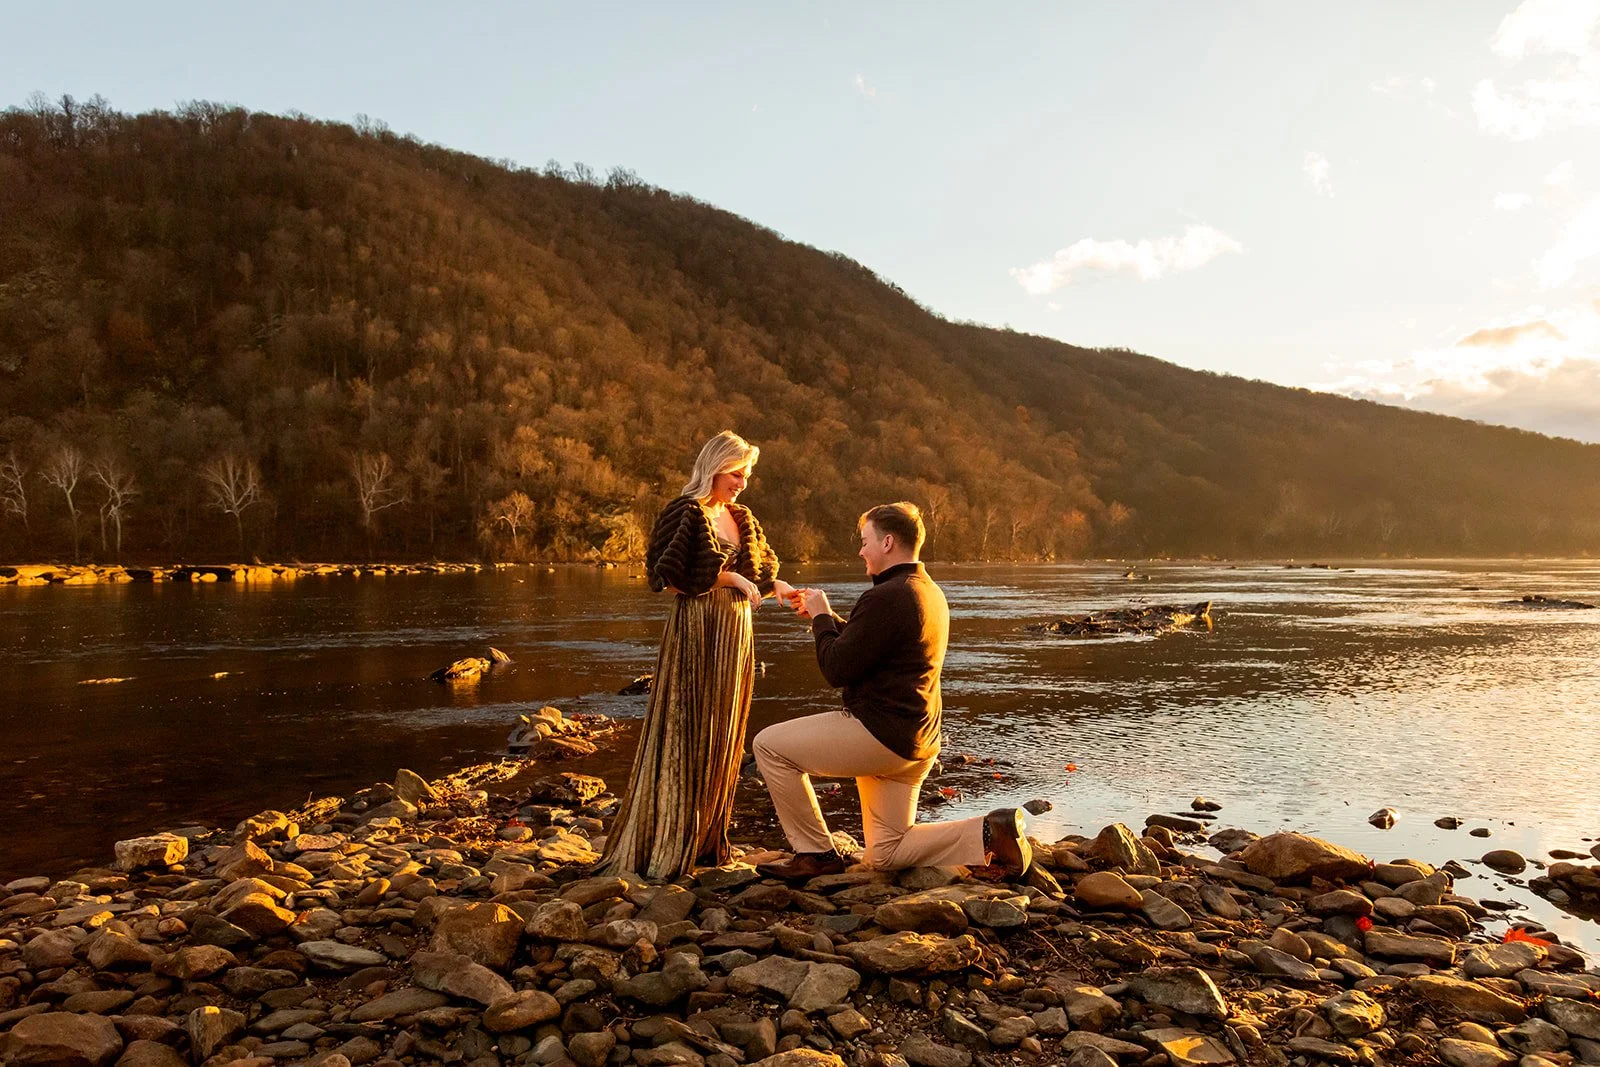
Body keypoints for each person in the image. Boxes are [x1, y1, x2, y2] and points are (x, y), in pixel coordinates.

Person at [752, 501, 1030, 880]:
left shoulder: (886, 596)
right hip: (918, 741)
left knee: (769, 745)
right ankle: (989, 831)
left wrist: (820, 620)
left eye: (865, 541)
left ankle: (815, 854)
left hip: (880, 735)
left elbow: (837, 668)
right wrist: (829, 618)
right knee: (886, 852)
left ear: (886, 543)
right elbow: (875, 643)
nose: (860, 550)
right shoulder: (925, 590)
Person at [597, 431, 795, 878]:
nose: (743, 481)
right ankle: (670, 839)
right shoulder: (684, 512)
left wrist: (777, 587)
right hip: (698, 631)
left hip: (735, 635)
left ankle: (708, 838)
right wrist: (728, 581)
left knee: (723, 733)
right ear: (714, 467)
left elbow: (757, 575)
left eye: (747, 473)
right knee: (689, 727)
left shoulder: (740, 516)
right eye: (736, 472)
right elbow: (664, 578)